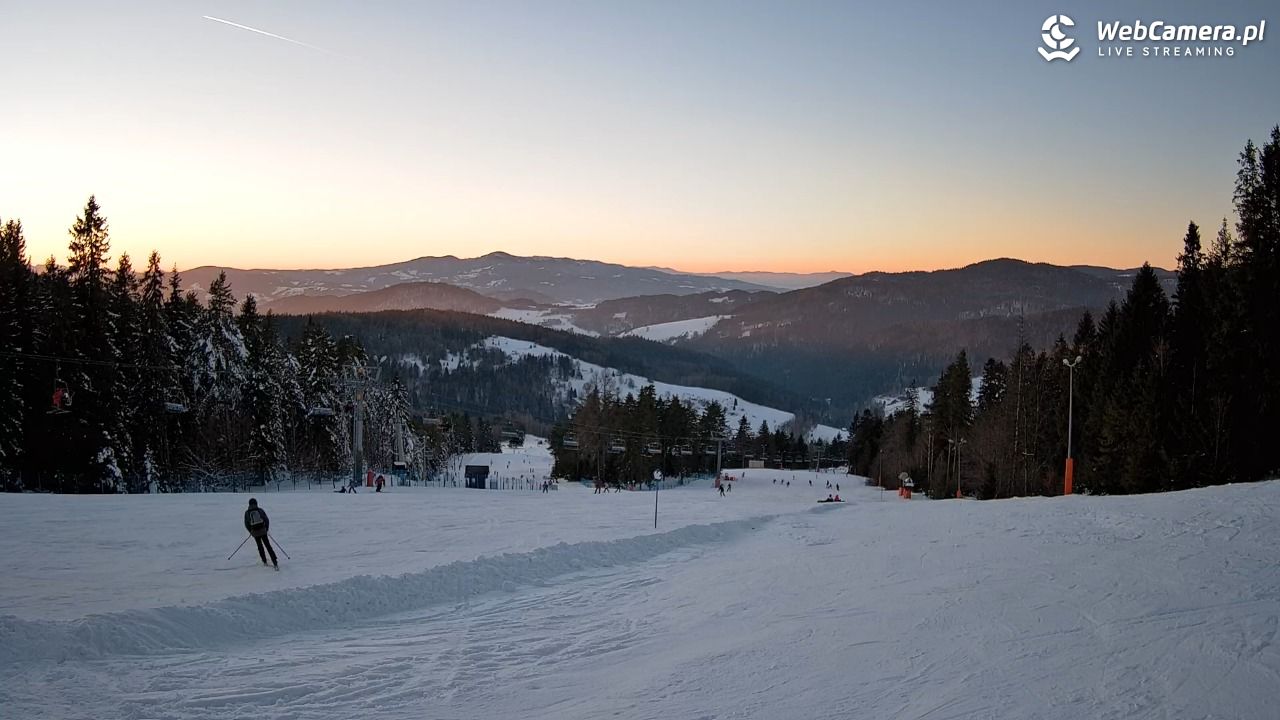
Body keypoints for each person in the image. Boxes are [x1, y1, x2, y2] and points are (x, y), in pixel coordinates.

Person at [243, 498, 278, 569]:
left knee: (260, 546)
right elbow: (266, 519)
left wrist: (251, 531)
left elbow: (246, 524)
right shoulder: (260, 510)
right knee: (268, 546)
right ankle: (274, 562)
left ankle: (264, 561)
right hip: (263, 531)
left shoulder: (247, 513)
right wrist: (266, 528)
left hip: (255, 533)